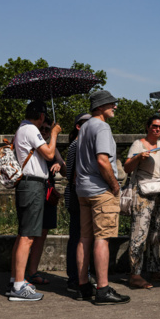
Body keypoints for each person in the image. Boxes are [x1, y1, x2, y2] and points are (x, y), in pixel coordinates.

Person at [75, 90, 130, 305]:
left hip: (83, 190)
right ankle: (103, 289)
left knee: (85, 238)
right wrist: (115, 186)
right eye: (110, 104)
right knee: (102, 238)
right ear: (99, 107)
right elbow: (103, 161)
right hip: (101, 191)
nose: (114, 106)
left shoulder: (85, 127)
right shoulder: (102, 127)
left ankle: (82, 286)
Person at [8, 100, 61, 301]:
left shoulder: (23, 128)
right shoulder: (30, 129)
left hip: (28, 185)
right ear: (40, 116)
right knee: (28, 236)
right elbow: (48, 153)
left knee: (24, 234)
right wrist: (54, 133)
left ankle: (15, 280)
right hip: (32, 185)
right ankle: (19, 286)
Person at [124, 115, 160, 289]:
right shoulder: (138, 144)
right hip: (143, 194)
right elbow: (127, 168)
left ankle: (154, 269)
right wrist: (139, 158)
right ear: (147, 127)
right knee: (139, 233)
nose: (158, 130)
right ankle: (135, 274)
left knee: (155, 234)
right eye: (154, 126)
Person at [26, 116, 66, 285]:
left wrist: (58, 164)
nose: (44, 132)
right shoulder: (32, 145)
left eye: (47, 129)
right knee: (28, 235)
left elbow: (65, 171)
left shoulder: (51, 147)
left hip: (48, 195)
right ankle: (22, 273)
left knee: (42, 235)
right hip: (34, 192)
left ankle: (33, 271)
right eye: (41, 129)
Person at [65, 112, 92, 294]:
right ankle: (74, 277)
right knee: (77, 237)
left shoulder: (82, 144)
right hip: (76, 195)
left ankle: (79, 275)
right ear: (78, 126)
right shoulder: (76, 144)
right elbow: (70, 174)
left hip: (79, 194)